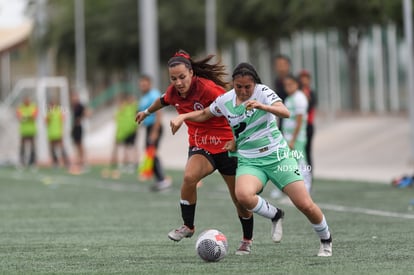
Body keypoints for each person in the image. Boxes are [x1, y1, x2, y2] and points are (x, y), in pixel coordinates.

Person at [170, 62, 333, 257]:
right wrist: (182, 117)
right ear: (233, 84)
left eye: (248, 87)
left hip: (277, 157)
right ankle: (275, 214)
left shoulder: (263, 92)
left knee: (304, 204)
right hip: (250, 160)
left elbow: (285, 112)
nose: (243, 91)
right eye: (239, 86)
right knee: (243, 196)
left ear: (255, 84)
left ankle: (326, 240)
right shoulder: (226, 100)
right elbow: (205, 113)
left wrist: (263, 106)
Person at [136, 50, 255, 255]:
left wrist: (240, 138)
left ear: (191, 73)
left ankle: (246, 239)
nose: (178, 82)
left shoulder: (209, 89)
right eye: (174, 79)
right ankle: (188, 226)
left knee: (239, 199)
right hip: (201, 145)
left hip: (226, 145)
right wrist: (146, 112)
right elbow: (163, 101)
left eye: (182, 77)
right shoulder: (174, 92)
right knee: (189, 177)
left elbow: (235, 107)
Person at [137, 75, 171, 191]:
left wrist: (154, 132)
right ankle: (159, 179)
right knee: (150, 152)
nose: (143, 86)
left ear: (150, 84)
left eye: (145, 84)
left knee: (152, 152)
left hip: (155, 127)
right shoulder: (144, 97)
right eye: (141, 84)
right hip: (148, 127)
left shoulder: (154, 94)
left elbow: (159, 114)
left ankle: (162, 179)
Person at [283, 74, 312, 193]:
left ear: (297, 85)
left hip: (297, 138)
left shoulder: (299, 98)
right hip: (288, 136)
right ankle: (289, 188)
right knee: (288, 162)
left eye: (291, 85)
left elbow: (299, 121)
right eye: (286, 85)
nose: (288, 87)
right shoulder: (288, 98)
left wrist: (293, 140)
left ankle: (307, 186)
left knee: (301, 162)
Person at [298, 69, 317, 174]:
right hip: (298, 127)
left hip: (308, 126)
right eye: (302, 78)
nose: (304, 81)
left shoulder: (311, 93)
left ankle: (309, 178)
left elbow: (309, 107)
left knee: (307, 153)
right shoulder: (296, 94)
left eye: (306, 78)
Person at [45, 98, 70, 168]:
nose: (52, 105)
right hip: (51, 133)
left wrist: (62, 131)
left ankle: (66, 162)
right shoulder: (48, 112)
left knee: (61, 147)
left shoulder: (59, 111)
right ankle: (55, 162)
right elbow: (46, 122)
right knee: (52, 148)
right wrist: (49, 115)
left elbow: (63, 120)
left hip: (58, 132)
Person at [16, 96, 38, 167]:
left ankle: (32, 162)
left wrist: (25, 117)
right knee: (22, 146)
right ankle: (22, 161)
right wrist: (28, 117)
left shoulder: (33, 106)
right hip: (24, 130)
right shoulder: (20, 107)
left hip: (31, 130)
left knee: (32, 147)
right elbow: (19, 117)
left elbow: (34, 117)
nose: (26, 101)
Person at [70, 93, 88, 173]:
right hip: (74, 128)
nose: (74, 98)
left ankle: (83, 162)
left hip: (79, 127)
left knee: (80, 145)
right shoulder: (73, 106)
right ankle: (79, 162)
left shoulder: (80, 106)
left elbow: (87, 113)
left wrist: (80, 119)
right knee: (76, 145)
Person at [273, 54, 292, 131]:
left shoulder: (294, 82)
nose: (280, 68)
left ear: (288, 65)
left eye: (282, 64)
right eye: (278, 65)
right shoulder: (277, 81)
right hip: (283, 119)